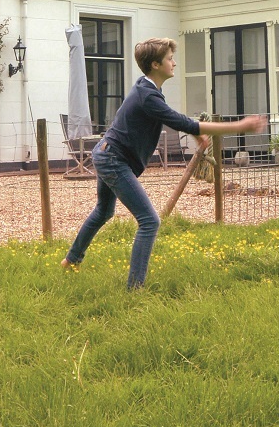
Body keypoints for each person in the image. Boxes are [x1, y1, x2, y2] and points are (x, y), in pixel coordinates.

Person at [64, 37, 266, 290]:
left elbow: (175, 118)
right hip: (113, 159)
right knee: (149, 221)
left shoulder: (148, 89)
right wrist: (240, 125)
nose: (174, 63)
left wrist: (196, 134)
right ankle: (134, 289)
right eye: (170, 59)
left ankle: (70, 261)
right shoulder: (147, 95)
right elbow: (182, 121)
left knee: (104, 211)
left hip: (106, 153)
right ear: (155, 64)